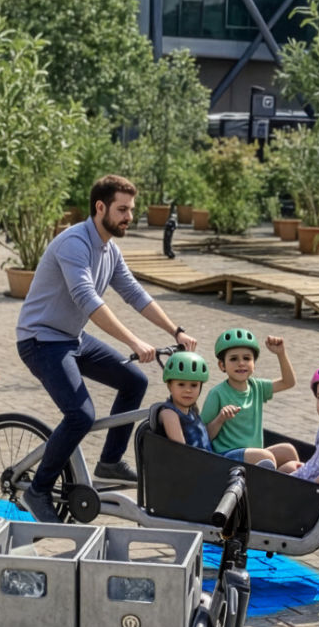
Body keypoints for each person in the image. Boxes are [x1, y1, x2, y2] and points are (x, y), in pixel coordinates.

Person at [14, 174, 197, 522]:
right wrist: (133, 341)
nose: (130, 217)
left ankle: (110, 462)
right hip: (40, 341)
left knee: (135, 381)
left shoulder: (110, 250)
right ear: (100, 208)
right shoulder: (74, 244)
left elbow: (134, 293)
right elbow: (88, 300)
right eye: (123, 209)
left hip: (72, 339)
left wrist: (176, 330)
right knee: (80, 415)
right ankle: (38, 490)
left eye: (132, 210)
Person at [202, 329, 300, 469]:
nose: (241, 363)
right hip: (225, 457)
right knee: (265, 457)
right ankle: (266, 487)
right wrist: (220, 419)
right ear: (222, 365)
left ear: (254, 363)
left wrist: (281, 353)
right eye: (234, 359)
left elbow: (288, 382)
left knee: (288, 451)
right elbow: (203, 436)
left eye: (247, 358)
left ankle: (290, 484)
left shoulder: (257, 387)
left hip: (255, 455)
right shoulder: (217, 394)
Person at [154, 351, 215, 449]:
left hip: (208, 458)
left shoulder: (192, 411)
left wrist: (221, 418)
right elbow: (183, 453)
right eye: (181, 384)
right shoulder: (169, 414)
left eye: (194, 385)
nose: (188, 390)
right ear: (169, 386)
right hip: (195, 462)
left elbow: (205, 440)